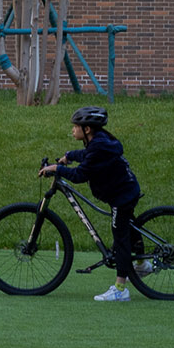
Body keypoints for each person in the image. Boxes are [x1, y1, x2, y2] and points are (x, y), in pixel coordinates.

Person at [39, 105, 144, 303]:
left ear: (87, 129)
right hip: (124, 189)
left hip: (122, 194)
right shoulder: (99, 142)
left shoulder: (99, 145)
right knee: (128, 225)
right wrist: (69, 156)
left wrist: (57, 169)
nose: (72, 130)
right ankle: (141, 263)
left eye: (75, 126)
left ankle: (121, 289)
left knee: (120, 235)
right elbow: (87, 155)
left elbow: (80, 174)